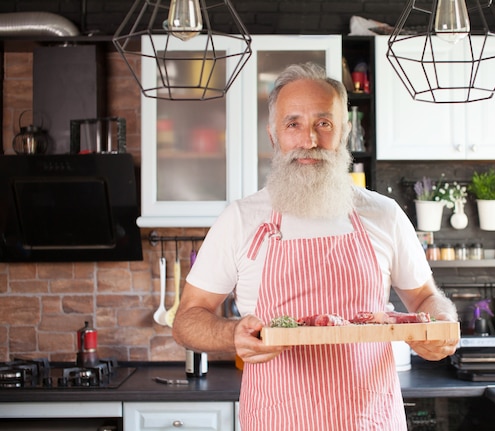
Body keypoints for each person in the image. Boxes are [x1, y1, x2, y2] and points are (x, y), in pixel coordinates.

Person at [172, 62, 458, 431]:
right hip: (278, 420)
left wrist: (439, 325)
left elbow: (424, 298)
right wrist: (232, 335)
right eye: (293, 124)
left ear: (345, 133)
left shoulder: (383, 214)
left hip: (370, 420)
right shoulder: (240, 220)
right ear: (273, 135)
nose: (309, 140)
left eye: (324, 124)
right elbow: (187, 319)